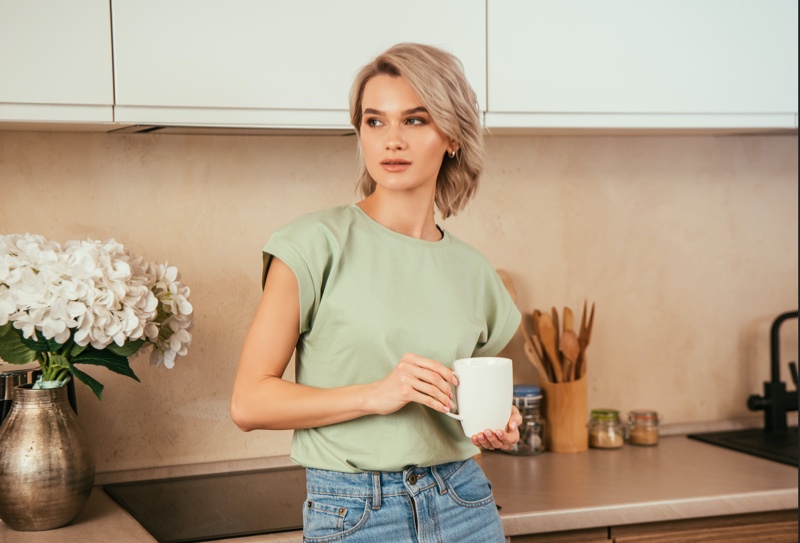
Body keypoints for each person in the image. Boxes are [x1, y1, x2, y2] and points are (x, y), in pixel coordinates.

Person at [231, 43, 522, 542]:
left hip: (464, 504)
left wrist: (499, 422)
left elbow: (464, 402)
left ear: (451, 135)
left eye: (414, 120)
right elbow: (249, 402)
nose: (392, 140)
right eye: (374, 121)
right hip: (354, 513)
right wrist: (376, 395)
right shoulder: (312, 245)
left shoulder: (475, 273)